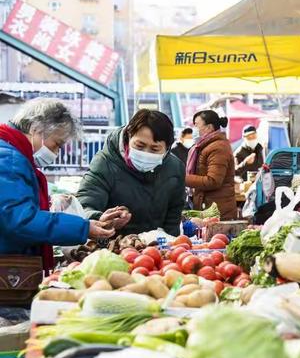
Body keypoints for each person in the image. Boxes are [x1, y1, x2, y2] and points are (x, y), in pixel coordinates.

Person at [0, 98, 114, 273]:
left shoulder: (10, 153)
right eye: (57, 144)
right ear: (35, 129)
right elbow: (20, 220)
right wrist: (82, 228)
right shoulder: (11, 161)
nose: (55, 153)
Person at [77, 109, 185, 236]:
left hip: (156, 250)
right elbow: (84, 205)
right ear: (128, 137)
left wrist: (171, 245)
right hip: (112, 246)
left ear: (167, 148)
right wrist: (101, 218)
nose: (146, 153)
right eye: (139, 146)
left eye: (155, 149)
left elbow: (174, 215)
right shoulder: (105, 163)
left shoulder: (175, 168)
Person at [185, 110, 236, 220]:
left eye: (197, 125)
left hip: (218, 211)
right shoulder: (204, 146)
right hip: (208, 208)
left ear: (209, 127)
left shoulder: (218, 148)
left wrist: (183, 178)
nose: (194, 129)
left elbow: (213, 181)